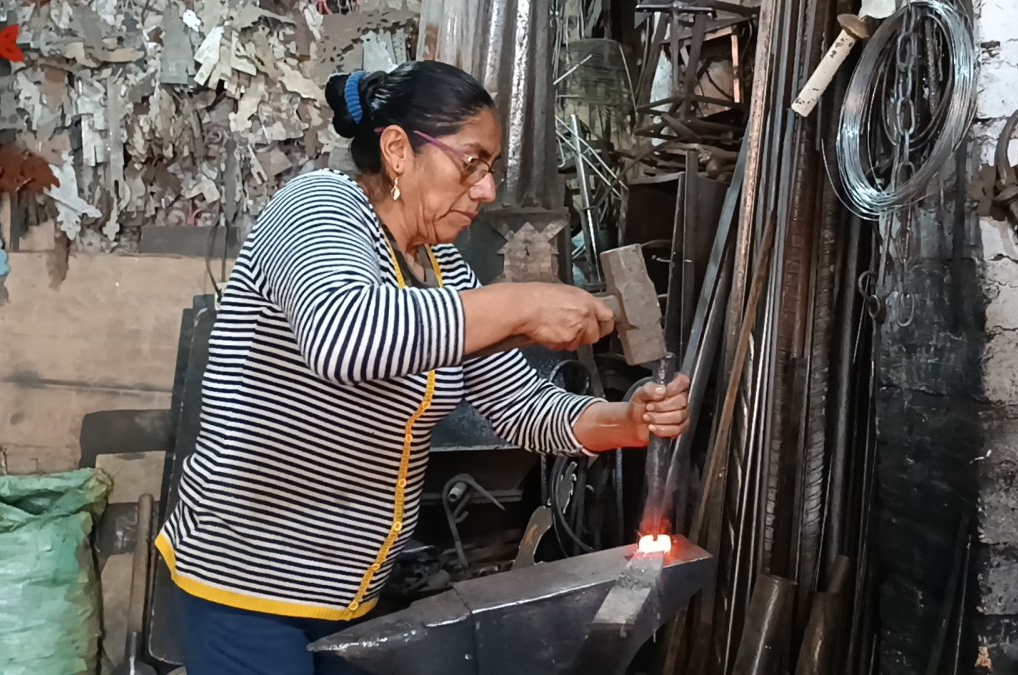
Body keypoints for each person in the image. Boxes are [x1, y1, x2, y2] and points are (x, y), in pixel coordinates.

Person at [154, 60, 691, 675]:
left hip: (347, 591)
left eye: (491, 170)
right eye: (471, 163)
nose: (486, 190)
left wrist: (625, 419)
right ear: (398, 151)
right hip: (244, 581)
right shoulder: (316, 209)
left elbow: (518, 406)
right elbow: (344, 334)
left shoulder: (444, 268)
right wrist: (520, 302)